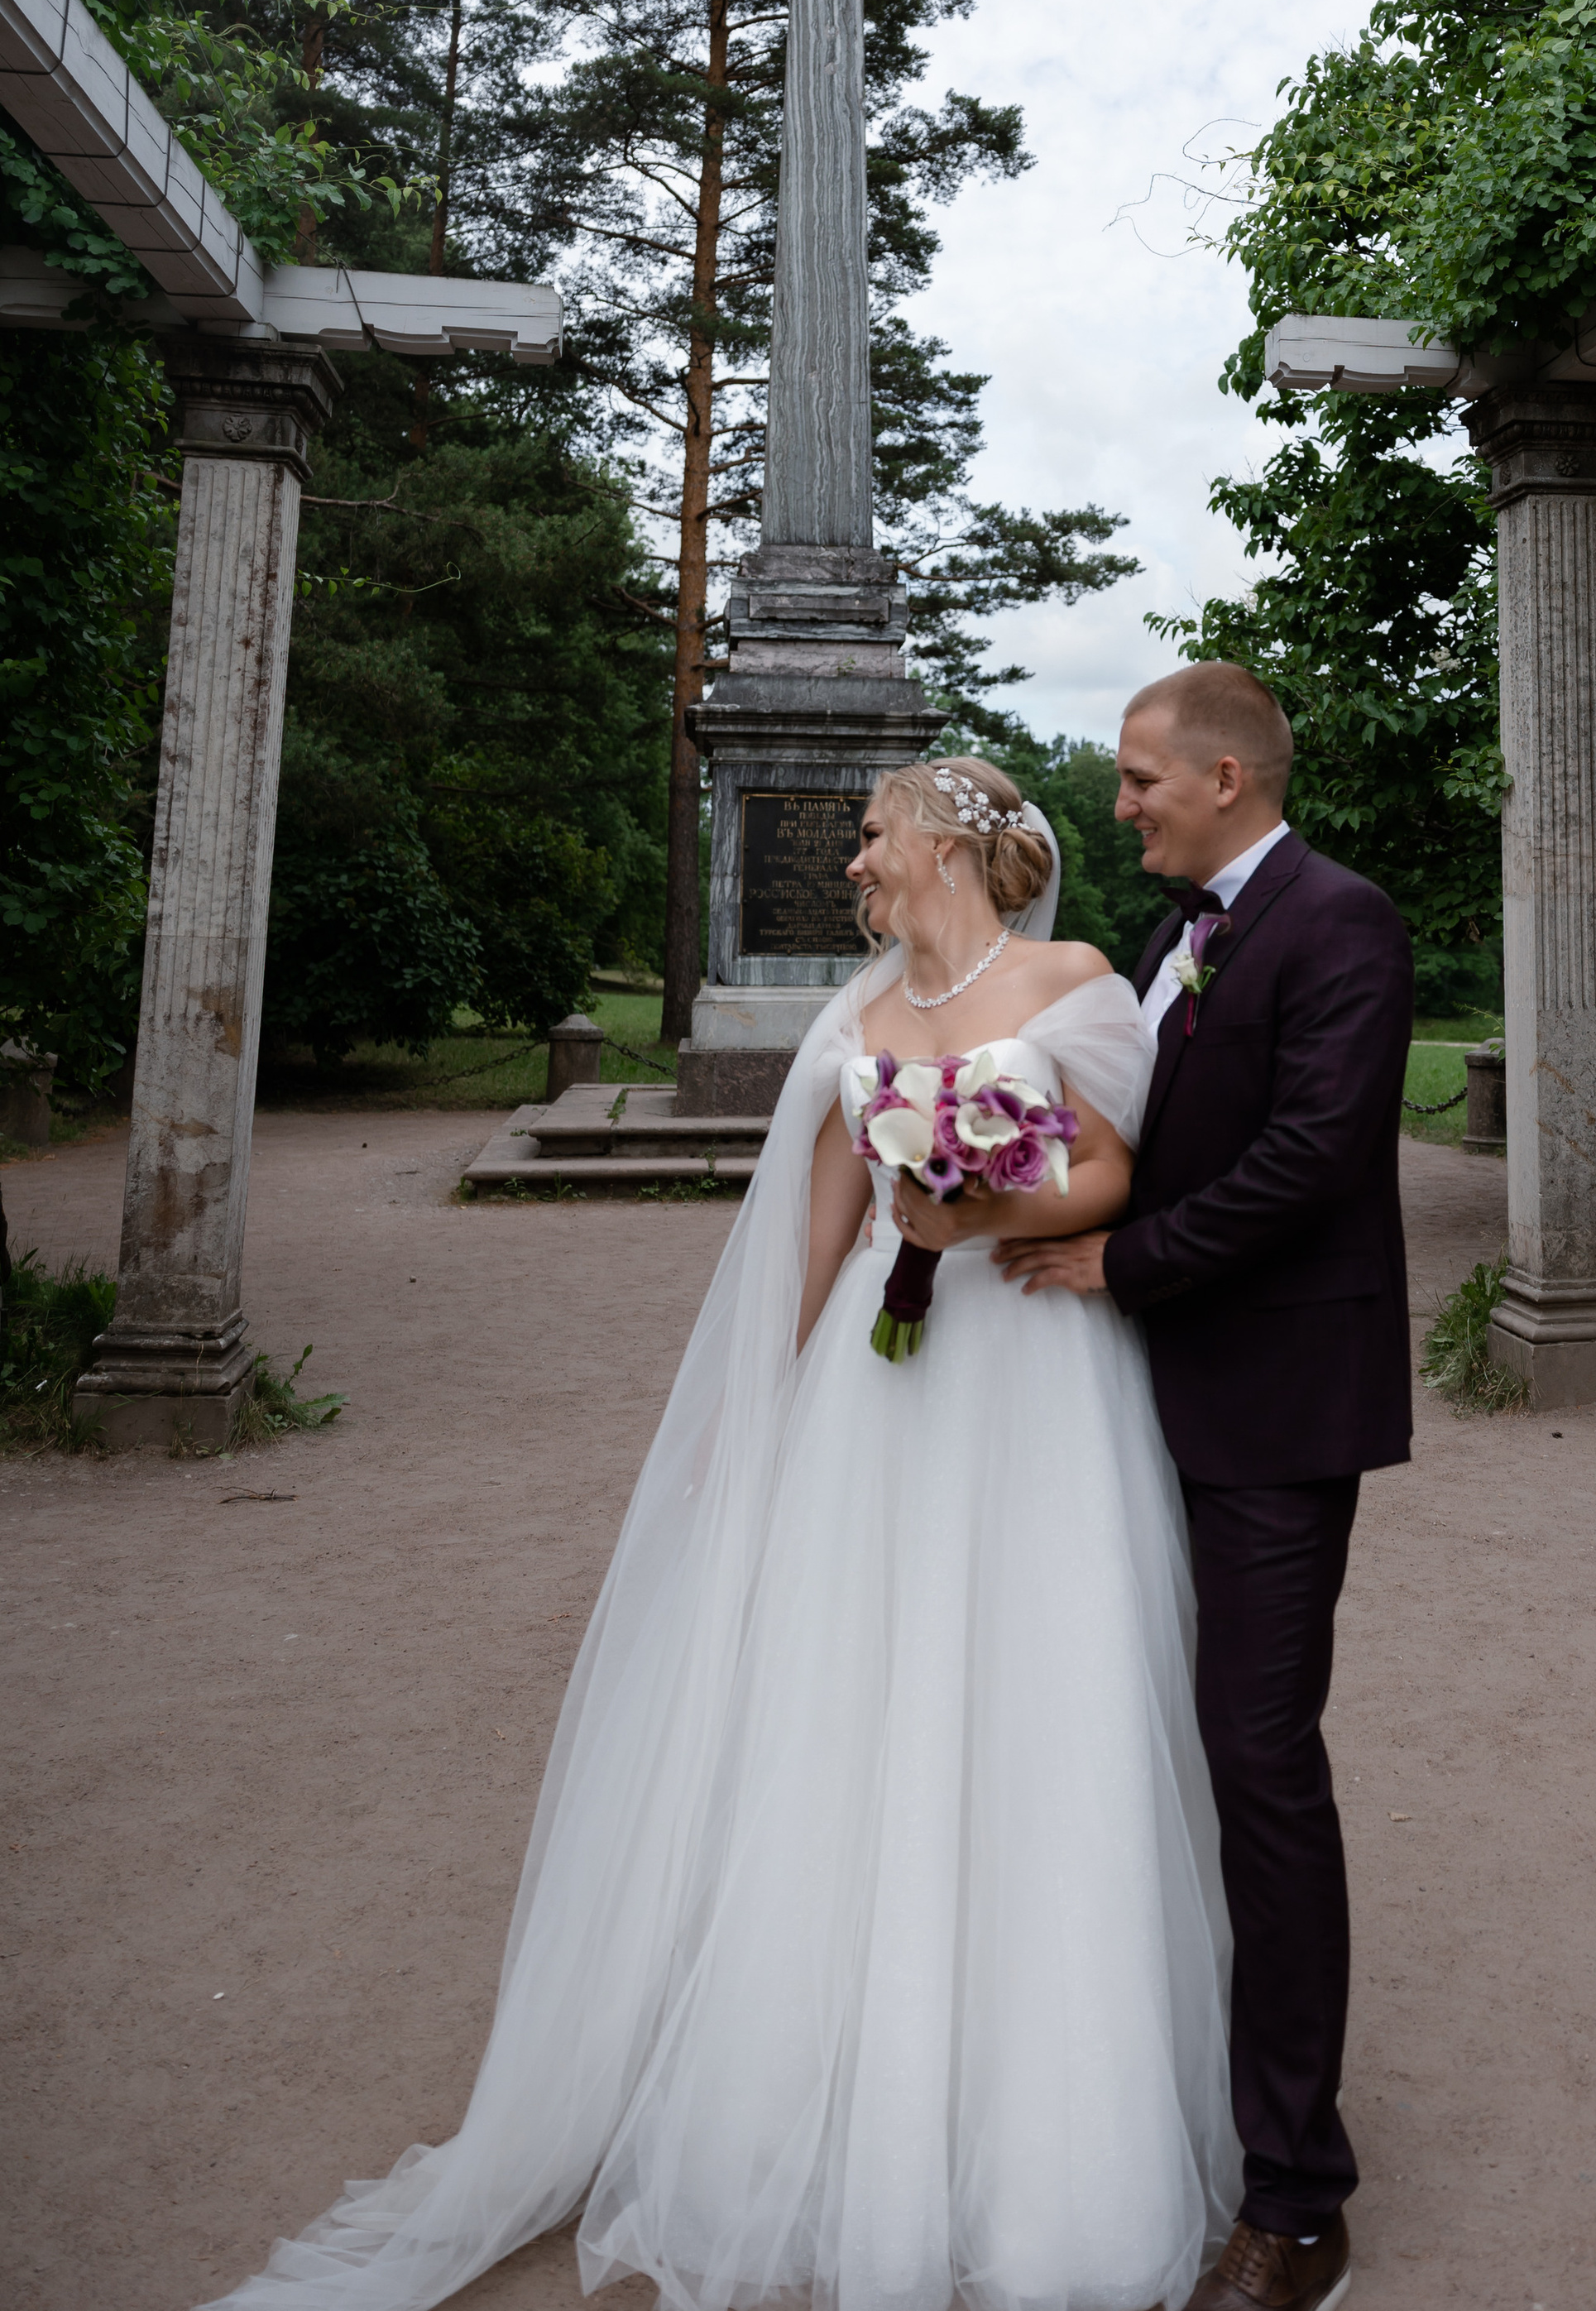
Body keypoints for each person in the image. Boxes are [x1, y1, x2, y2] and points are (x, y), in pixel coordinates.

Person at [200, 757, 1239, 2311]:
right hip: (879, 1404)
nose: (857, 865)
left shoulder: (1075, 981)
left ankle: (1050, 2163)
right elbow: (824, 1213)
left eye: (877, 836)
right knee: (839, 1718)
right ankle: (796, 2114)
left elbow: (1106, 1173)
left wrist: (970, 1212)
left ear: (950, 840)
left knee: (1038, 1710)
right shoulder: (854, 1015)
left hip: (1032, 1379)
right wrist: (759, 1406)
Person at [991, 667, 1413, 2311]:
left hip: (1277, 1413)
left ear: (1224, 776)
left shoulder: (1341, 921)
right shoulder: (1177, 940)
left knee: (1256, 1766)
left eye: (1136, 779)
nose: (1119, 807)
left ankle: (1299, 2201)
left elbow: (1312, 1159)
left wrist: (1120, 1258)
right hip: (1142, 1404)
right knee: (1134, 1751)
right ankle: (1157, 2096)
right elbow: (1151, 1129)